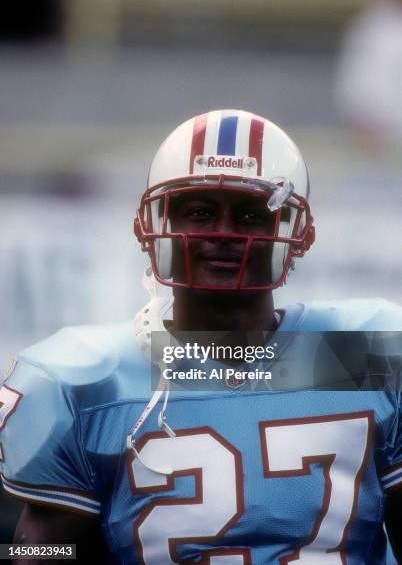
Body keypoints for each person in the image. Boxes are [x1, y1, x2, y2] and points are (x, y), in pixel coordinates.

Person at [1, 109, 402, 564]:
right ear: (149, 225)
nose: (225, 234)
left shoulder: (371, 351)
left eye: (252, 215)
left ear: (298, 232)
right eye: (199, 212)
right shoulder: (84, 383)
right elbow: (39, 552)